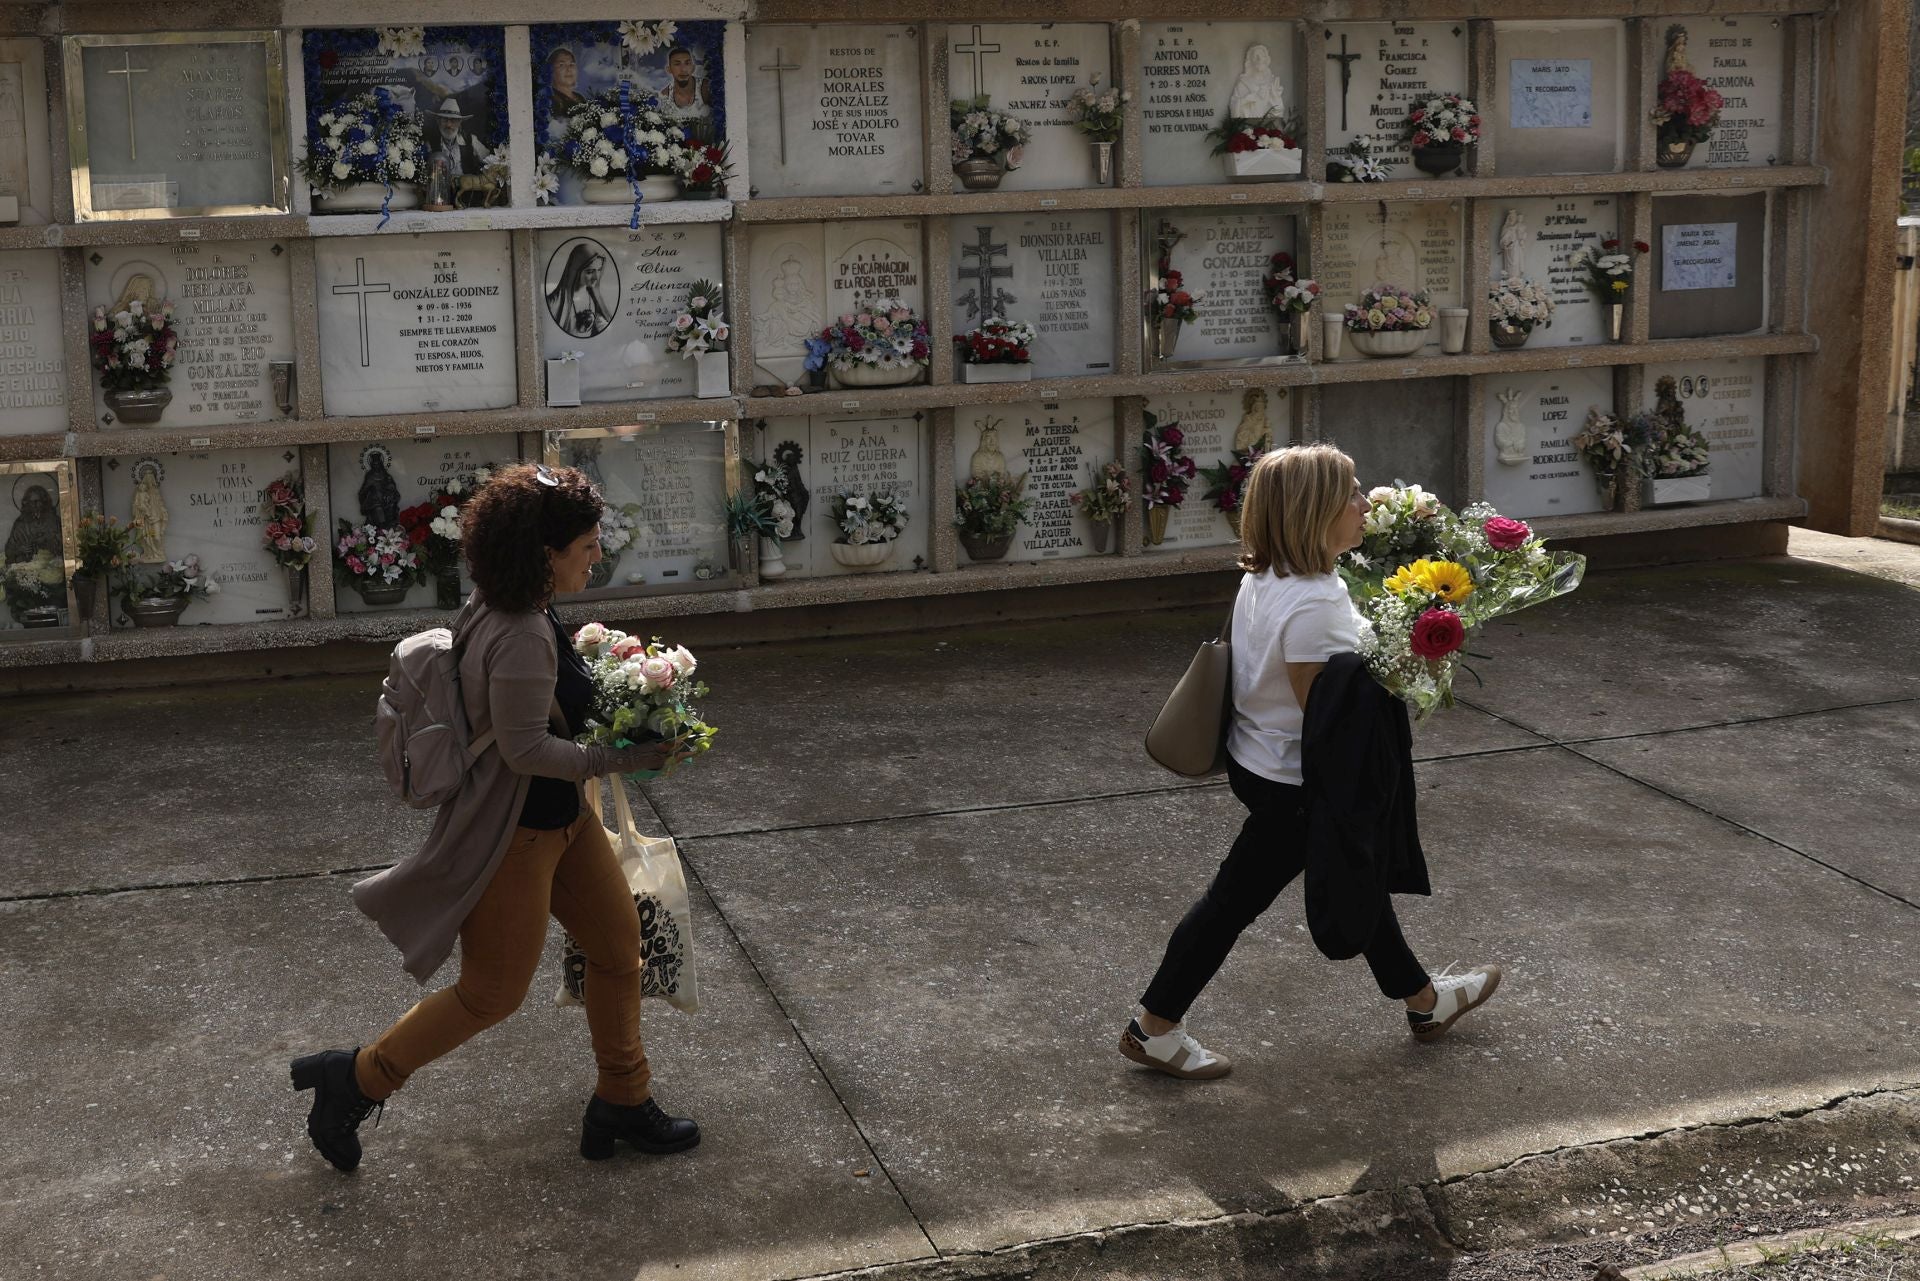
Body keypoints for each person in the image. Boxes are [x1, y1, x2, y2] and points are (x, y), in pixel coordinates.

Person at [291, 463, 698, 1171]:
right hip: (517, 836)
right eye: (588, 543)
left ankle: (623, 1098)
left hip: (562, 825)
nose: (597, 554)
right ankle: (354, 1078)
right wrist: (622, 757)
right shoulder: (519, 631)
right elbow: (524, 749)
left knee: (617, 945)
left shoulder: (521, 602)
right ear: (546, 551)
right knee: (491, 993)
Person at [1120, 444, 1500, 1081]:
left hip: (1258, 760)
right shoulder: (1316, 604)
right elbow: (1329, 724)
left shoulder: (1267, 576)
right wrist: (1408, 680)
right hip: (1294, 784)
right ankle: (1154, 1026)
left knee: (1357, 878)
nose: (1363, 504)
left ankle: (1426, 1003)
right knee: (1234, 901)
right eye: (1350, 494)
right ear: (1315, 512)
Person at [546, 242, 616, 338]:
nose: (596, 277)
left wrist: (605, 329)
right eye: (590, 272)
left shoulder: (593, 297)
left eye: (598, 270)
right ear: (575, 271)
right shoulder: (553, 304)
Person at [547, 47, 587, 119]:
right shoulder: (550, 102)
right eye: (561, 65)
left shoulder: (580, 98)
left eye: (571, 65)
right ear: (551, 72)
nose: (569, 69)